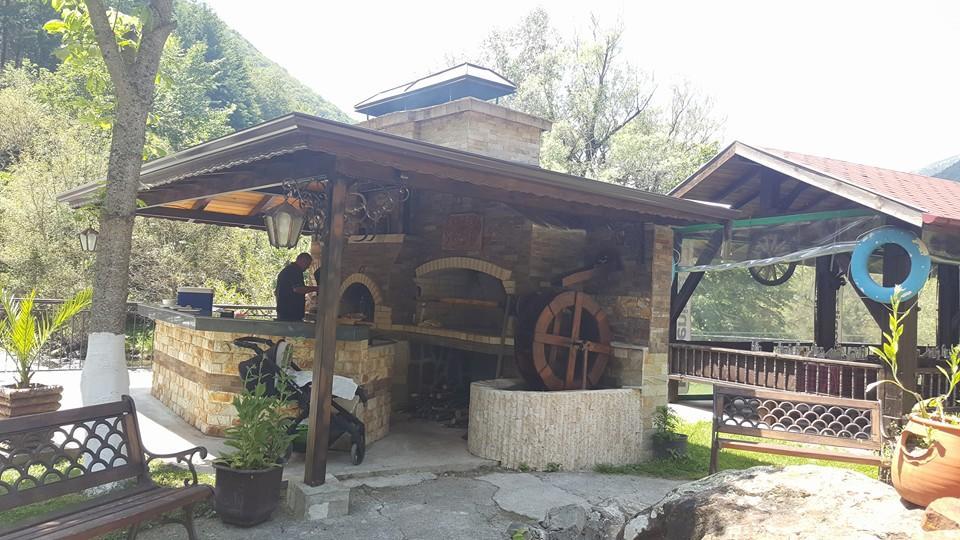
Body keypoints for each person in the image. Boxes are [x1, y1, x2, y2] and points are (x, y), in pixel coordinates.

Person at [275, 253, 318, 321]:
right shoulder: (294, 271)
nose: (308, 267)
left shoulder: (290, 270)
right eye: (308, 264)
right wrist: (317, 288)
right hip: (290, 315)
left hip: (286, 313)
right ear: (302, 260)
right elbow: (298, 289)